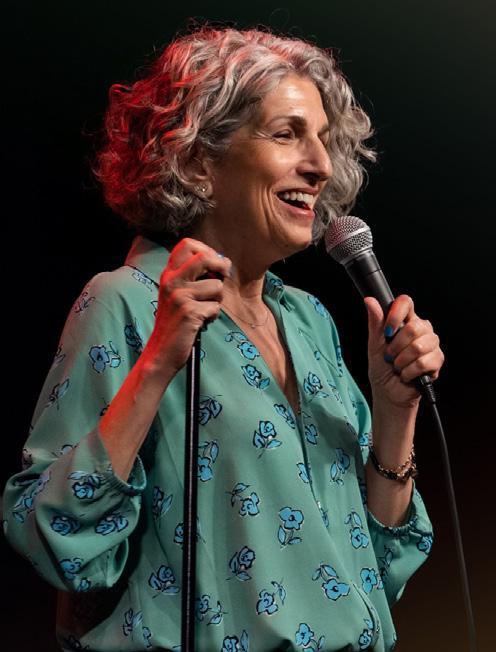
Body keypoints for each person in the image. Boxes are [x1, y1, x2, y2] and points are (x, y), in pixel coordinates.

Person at [2, 26, 444, 652]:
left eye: (323, 139)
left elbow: (373, 566)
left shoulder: (309, 320)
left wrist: (395, 413)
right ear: (197, 159)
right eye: (287, 134)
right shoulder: (125, 302)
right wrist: (158, 362)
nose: (321, 164)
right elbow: (56, 535)